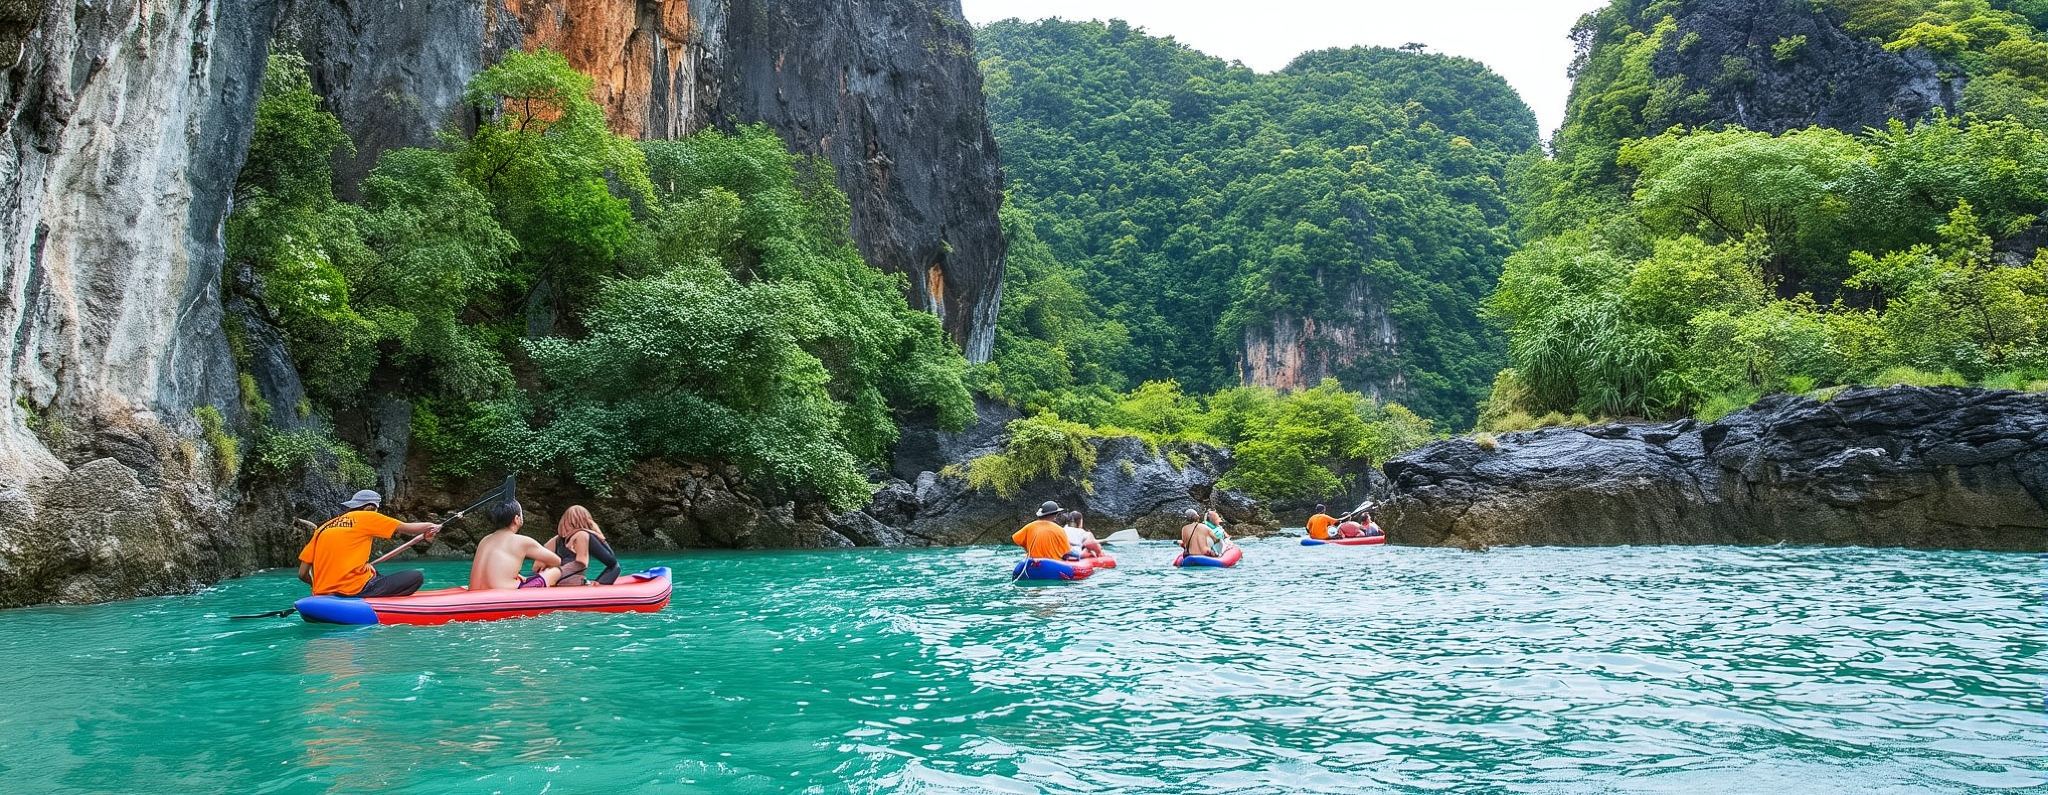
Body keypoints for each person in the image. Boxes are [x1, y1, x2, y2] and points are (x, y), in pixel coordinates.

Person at [298, 490, 440, 598]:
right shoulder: (367, 516)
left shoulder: (323, 527)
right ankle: (377, 603)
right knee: (415, 577)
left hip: (323, 592)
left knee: (373, 572)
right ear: (369, 507)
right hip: (353, 589)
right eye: (376, 509)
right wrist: (433, 526)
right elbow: (408, 528)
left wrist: (319, 587)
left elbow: (302, 574)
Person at [468, 499, 564, 590]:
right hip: (504, 595)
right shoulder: (522, 541)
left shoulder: (485, 540)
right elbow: (557, 561)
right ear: (516, 519)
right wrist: (543, 565)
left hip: (476, 591)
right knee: (556, 571)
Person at [546, 505, 621, 586]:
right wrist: (594, 533)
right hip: (569, 580)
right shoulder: (583, 535)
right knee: (615, 566)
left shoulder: (554, 541)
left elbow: (537, 567)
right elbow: (613, 563)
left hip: (553, 578)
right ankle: (599, 585)